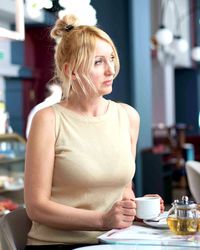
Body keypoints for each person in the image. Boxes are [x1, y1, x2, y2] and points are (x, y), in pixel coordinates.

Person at [24, 15, 164, 250]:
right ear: (72, 71)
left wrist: (134, 208)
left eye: (111, 58)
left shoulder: (128, 116)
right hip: (58, 244)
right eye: (98, 62)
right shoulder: (48, 120)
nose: (111, 70)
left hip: (113, 241)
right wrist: (102, 220)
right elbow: (36, 207)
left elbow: (124, 189)